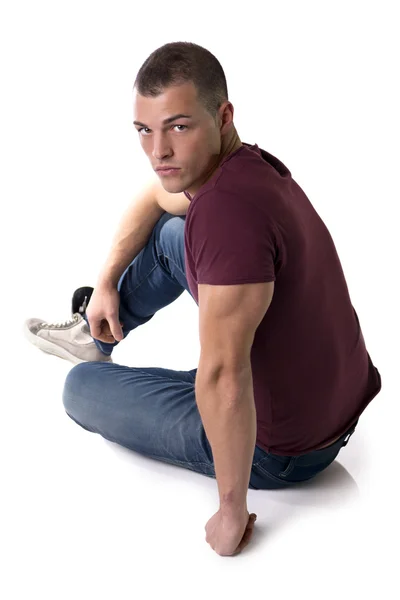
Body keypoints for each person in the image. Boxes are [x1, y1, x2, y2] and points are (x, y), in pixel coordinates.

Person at [24, 42, 382, 556]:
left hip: (285, 447)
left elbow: (222, 374)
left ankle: (93, 361)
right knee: (173, 235)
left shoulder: (226, 215)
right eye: (145, 131)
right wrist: (105, 282)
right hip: (332, 397)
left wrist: (231, 511)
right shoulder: (247, 167)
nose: (158, 151)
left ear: (223, 115)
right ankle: (94, 331)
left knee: (81, 388)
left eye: (178, 126)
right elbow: (154, 196)